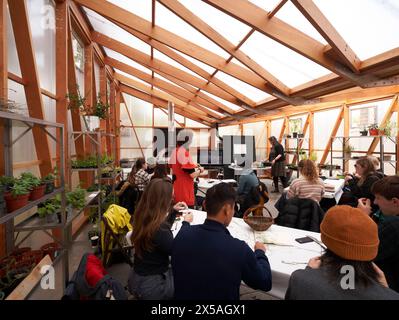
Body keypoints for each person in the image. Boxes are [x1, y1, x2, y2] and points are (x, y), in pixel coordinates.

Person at [171, 183, 272, 300]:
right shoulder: (238, 249)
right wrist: (260, 252)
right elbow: (264, 282)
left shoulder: (183, 234)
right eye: (233, 208)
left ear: (204, 204)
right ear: (227, 210)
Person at [285, 205, 399, 300]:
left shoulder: (299, 279)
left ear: (324, 238)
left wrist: (308, 274)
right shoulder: (391, 296)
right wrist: (385, 290)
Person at [128, 178, 193, 300]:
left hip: (137, 276)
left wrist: (173, 212)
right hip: (152, 286)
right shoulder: (159, 229)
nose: (172, 200)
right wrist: (186, 224)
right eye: (171, 198)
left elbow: (159, 234)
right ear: (163, 200)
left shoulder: (142, 216)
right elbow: (177, 250)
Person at [357, 176, 399, 292]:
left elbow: (359, 250)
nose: (375, 202)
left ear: (395, 201)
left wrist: (362, 217)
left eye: (378, 198)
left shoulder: (393, 225)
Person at [169, 130, 204, 208]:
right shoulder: (184, 153)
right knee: (187, 213)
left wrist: (193, 165)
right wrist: (200, 170)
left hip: (176, 189)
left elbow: (175, 167)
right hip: (185, 191)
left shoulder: (174, 151)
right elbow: (192, 175)